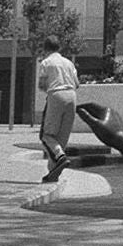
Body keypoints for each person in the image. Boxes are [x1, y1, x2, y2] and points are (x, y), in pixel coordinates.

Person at [36, 36, 79, 183]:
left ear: (45, 49)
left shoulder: (46, 62)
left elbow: (42, 85)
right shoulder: (69, 63)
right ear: (59, 48)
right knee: (60, 139)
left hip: (56, 95)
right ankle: (53, 173)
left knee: (46, 135)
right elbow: (77, 83)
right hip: (72, 96)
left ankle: (61, 157)